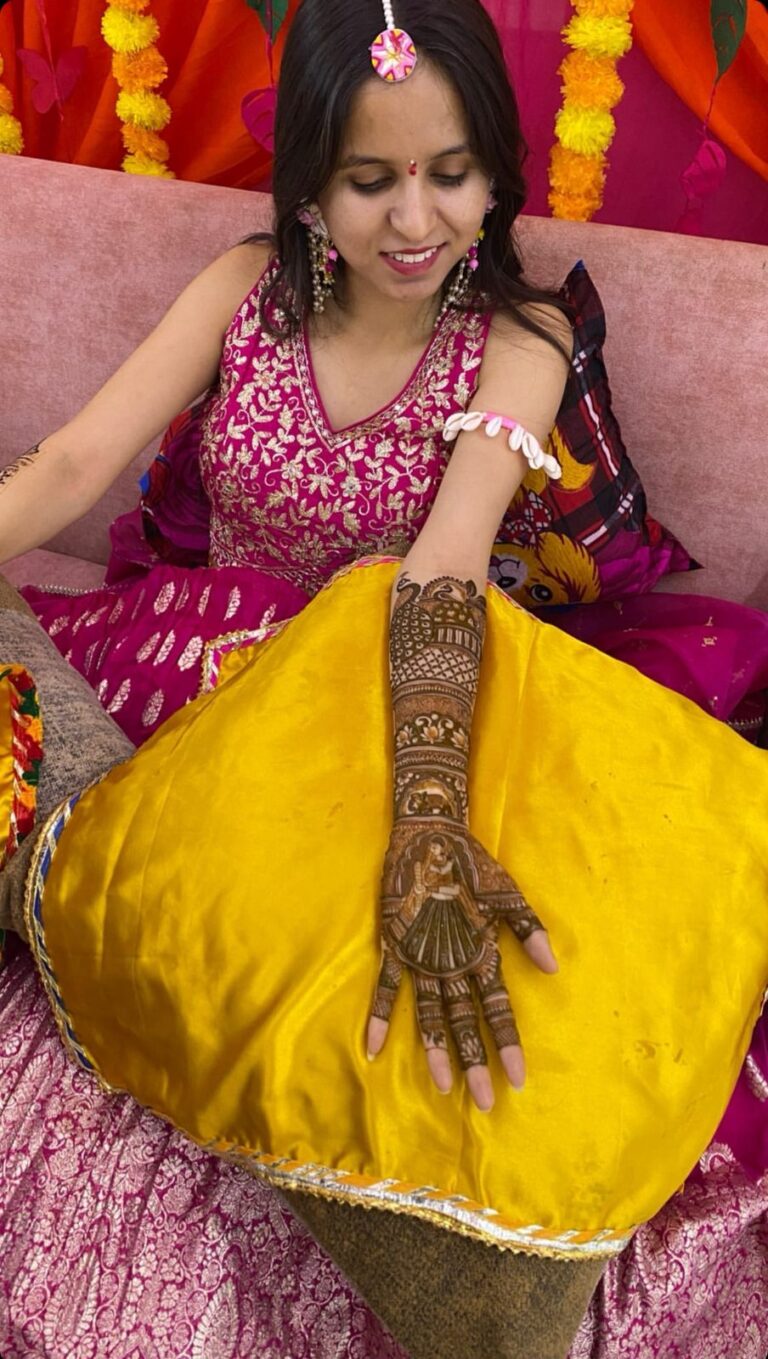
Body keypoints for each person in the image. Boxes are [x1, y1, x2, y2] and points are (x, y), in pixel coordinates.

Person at [0, 2, 767, 1357]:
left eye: (450, 173)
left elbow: (442, 571)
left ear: (495, 176)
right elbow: (71, 463)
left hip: (397, 696)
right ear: (310, 183)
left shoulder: (521, 339)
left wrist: (425, 818)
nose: (416, 222)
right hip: (195, 670)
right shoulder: (245, 289)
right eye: (371, 181)